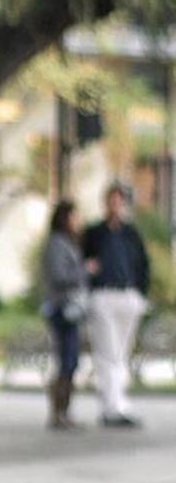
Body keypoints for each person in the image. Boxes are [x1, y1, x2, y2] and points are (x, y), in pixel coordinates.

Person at [82, 183, 151, 428]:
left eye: (119, 201)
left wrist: (140, 295)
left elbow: (143, 264)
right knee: (108, 353)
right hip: (103, 295)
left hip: (127, 296)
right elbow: (83, 261)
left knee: (121, 355)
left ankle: (118, 403)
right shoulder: (95, 233)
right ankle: (112, 407)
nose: (115, 205)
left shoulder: (131, 233)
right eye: (112, 200)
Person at [42, 199, 87, 430]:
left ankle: (64, 412)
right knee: (67, 360)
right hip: (62, 309)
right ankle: (59, 412)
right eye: (74, 216)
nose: (78, 221)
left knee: (71, 361)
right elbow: (59, 275)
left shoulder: (69, 243)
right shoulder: (58, 244)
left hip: (71, 309)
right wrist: (84, 271)